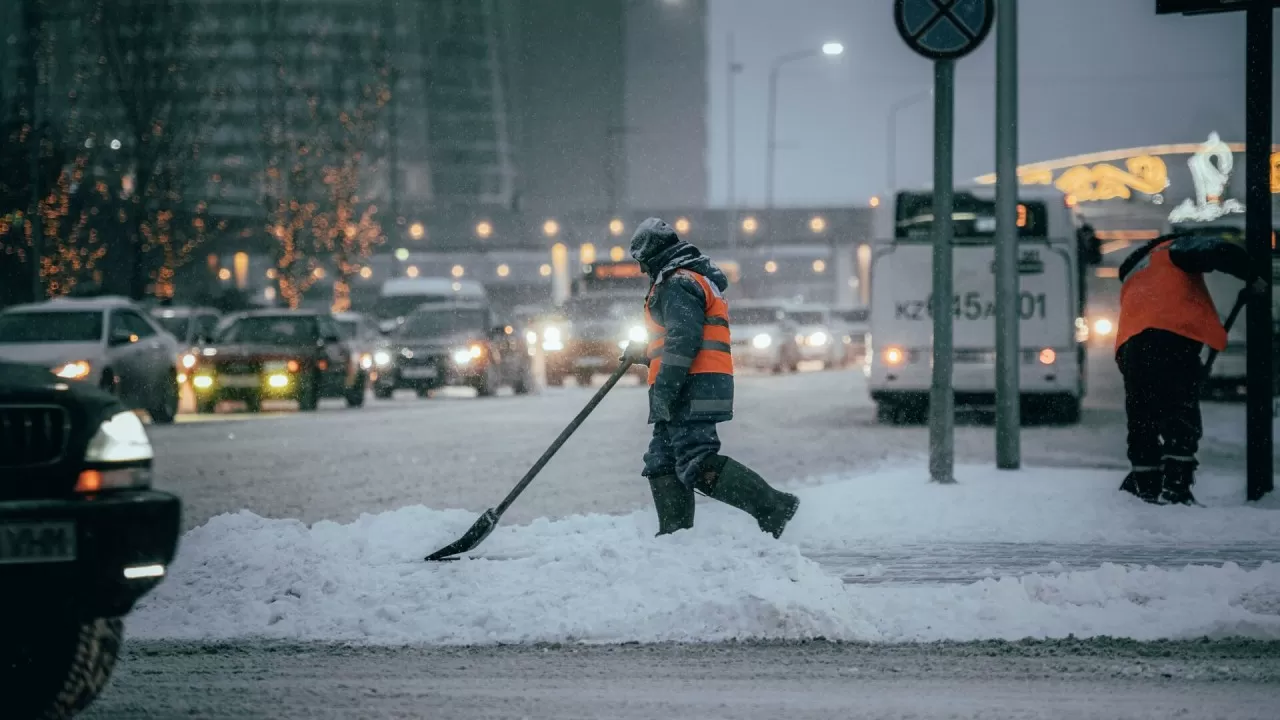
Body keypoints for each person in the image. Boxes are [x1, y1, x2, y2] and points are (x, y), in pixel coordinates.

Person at [622, 217, 800, 537]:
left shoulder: (678, 283)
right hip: (690, 382)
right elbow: (676, 338)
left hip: (690, 385)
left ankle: (772, 505)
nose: (640, 269)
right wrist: (648, 351)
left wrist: (665, 389)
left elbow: (683, 340)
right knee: (662, 461)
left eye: (641, 260)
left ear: (654, 254)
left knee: (696, 461)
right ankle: (674, 537)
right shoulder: (684, 279)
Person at [1114, 231, 1264, 505]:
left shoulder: (1136, 268)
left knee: (1142, 418)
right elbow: (1219, 250)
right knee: (1179, 412)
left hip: (1130, 345)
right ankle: (1176, 487)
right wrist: (1254, 274)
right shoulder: (1174, 247)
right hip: (1170, 337)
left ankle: (1146, 486)